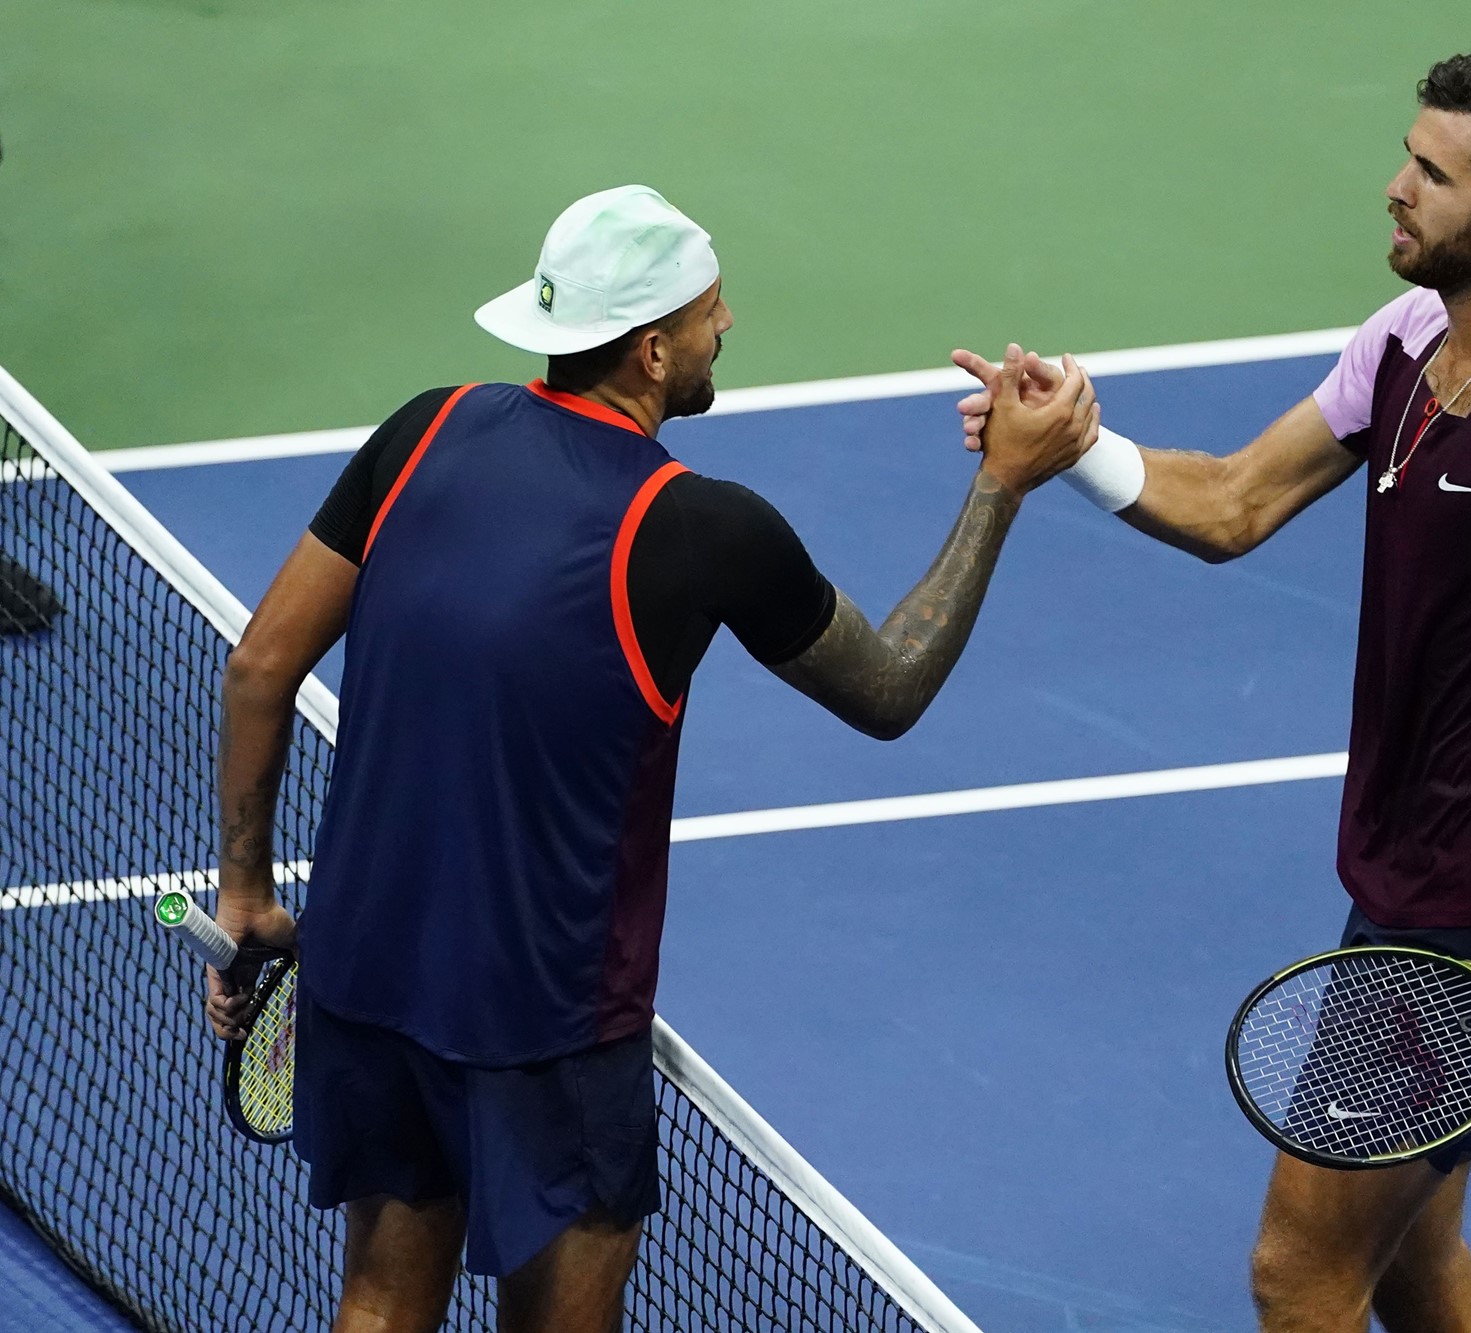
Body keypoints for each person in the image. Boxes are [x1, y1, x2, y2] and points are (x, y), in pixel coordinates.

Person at [204, 184, 1098, 1333]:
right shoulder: (702, 527)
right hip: (548, 1024)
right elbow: (889, 689)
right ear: (652, 345)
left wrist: (247, 891)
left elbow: (257, 669)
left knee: (378, 1304)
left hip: (366, 976)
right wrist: (1001, 486)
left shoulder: (423, 427)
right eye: (711, 312)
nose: (727, 328)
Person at [953, 52, 1471, 1333]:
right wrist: (1073, 446)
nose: (1394, 188)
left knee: (1298, 1269)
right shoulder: (1406, 345)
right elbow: (1232, 501)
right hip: (1402, 868)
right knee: (1414, 1256)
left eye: (1431, 174)